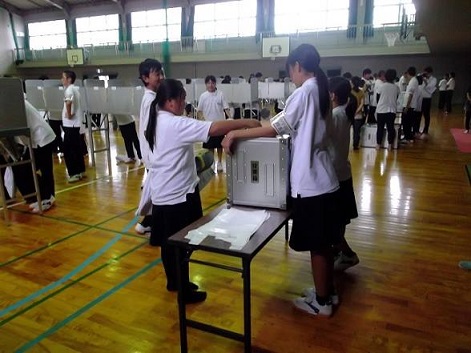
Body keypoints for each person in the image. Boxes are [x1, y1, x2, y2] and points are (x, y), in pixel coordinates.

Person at [222, 44, 341, 317]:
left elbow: (278, 127)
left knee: (317, 246)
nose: (291, 76)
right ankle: (327, 292)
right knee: (323, 244)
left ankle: (322, 302)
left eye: (291, 71)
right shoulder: (321, 89)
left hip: (312, 183)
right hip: (325, 178)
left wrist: (238, 133)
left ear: (298, 65)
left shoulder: (305, 91)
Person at [145, 78, 260, 304]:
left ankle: (174, 282)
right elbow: (214, 128)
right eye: (182, 99)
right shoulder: (174, 124)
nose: (184, 103)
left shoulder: (156, 119)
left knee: (169, 245)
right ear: (170, 101)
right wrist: (245, 122)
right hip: (178, 195)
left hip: (162, 193)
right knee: (181, 244)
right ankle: (184, 291)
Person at [325, 77, 360, 273]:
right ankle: (339, 253)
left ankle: (347, 254)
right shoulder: (344, 112)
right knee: (338, 221)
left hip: (335, 176)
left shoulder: (336, 115)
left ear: (332, 95)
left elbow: (321, 140)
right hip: (342, 173)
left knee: (332, 224)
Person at [8, 99, 57, 213]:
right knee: (28, 169)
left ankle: (47, 199)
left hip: (42, 137)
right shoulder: (14, 101)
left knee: (42, 170)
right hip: (36, 138)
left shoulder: (14, 103)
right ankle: (43, 197)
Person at [134, 58, 165, 235]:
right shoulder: (150, 100)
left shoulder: (152, 98)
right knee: (158, 193)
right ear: (145, 78)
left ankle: (147, 223)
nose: (160, 77)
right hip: (153, 156)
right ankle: (148, 224)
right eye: (156, 74)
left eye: (161, 73)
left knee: (156, 191)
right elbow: (149, 131)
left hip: (152, 155)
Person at [196, 75, 232, 172]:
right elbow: (199, 111)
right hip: (208, 126)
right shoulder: (203, 96)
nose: (210, 85)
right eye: (208, 83)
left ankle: (219, 162)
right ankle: (212, 163)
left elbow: (226, 108)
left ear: (215, 84)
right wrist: (203, 120)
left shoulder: (220, 94)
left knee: (219, 145)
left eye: (212, 83)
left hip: (219, 124)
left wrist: (230, 117)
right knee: (210, 146)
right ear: (206, 84)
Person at [61, 70, 86, 183]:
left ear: (69, 79)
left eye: (63, 77)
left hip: (70, 125)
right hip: (75, 125)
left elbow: (68, 102)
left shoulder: (69, 90)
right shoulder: (76, 89)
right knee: (76, 148)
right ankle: (80, 171)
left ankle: (74, 173)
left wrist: (69, 114)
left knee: (68, 150)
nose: (62, 80)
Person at [376, 69, 400, 150]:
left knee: (380, 128)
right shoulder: (396, 87)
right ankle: (390, 145)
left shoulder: (381, 86)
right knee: (390, 128)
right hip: (391, 110)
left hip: (381, 109)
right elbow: (396, 98)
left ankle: (378, 144)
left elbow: (378, 98)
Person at [402, 66, 419, 143]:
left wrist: (407, 106)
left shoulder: (413, 81)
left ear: (408, 73)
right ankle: (408, 136)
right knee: (408, 122)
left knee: (406, 122)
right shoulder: (413, 80)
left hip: (409, 106)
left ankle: (407, 137)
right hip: (410, 106)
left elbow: (410, 95)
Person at [419, 66, 437, 138]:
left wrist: (425, 81)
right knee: (419, 114)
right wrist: (421, 77)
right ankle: (417, 130)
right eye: (425, 73)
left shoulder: (434, 79)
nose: (426, 75)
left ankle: (425, 130)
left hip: (427, 98)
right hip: (420, 98)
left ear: (430, 73)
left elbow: (430, 87)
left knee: (426, 115)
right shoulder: (422, 77)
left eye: (427, 73)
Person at [350, 76, 365, 150]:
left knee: (347, 130)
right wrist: (357, 111)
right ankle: (355, 145)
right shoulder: (361, 92)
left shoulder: (349, 91)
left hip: (350, 114)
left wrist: (353, 112)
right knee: (357, 131)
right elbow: (362, 104)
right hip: (358, 115)